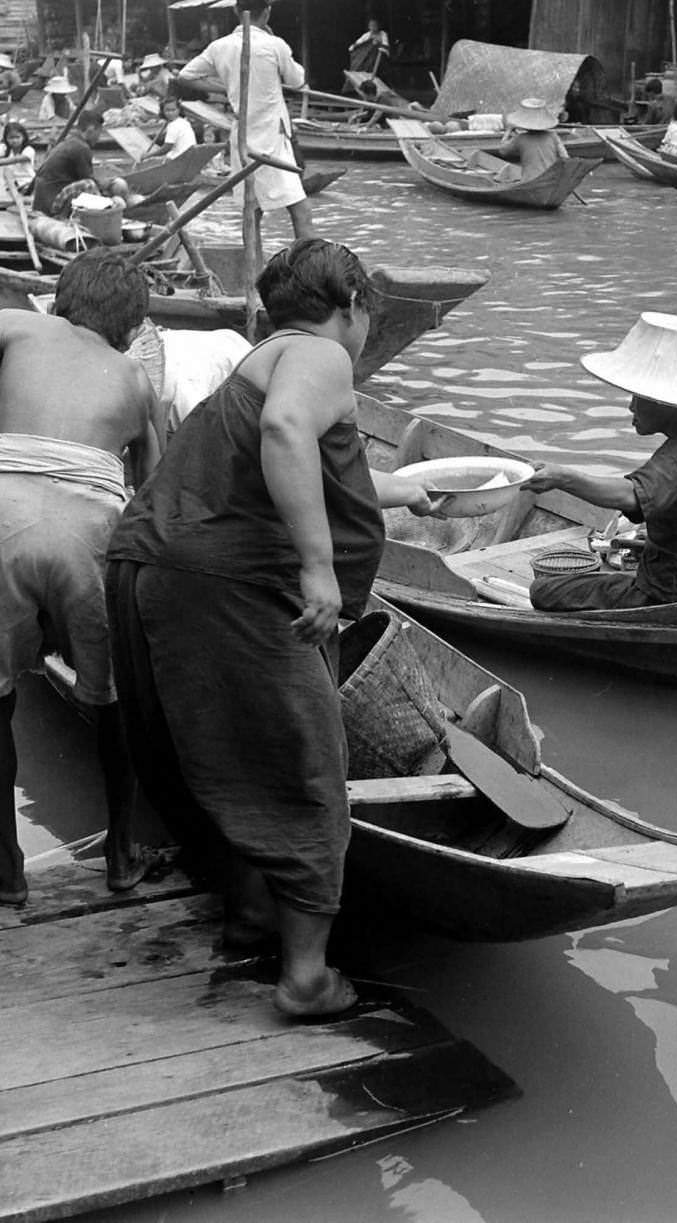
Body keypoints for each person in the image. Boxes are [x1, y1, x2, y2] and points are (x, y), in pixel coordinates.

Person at [105, 238, 445, 1018]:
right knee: (305, 760)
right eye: (367, 313)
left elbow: (313, 466)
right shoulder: (320, 356)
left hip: (168, 566)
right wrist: (322, 569)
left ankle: (253, 914)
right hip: (230, 582)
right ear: (354, 305)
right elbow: (289, 432)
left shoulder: (270, 356)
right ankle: (306, 975)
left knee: (232, 747)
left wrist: (408, 495)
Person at [0, 249, 162, 906]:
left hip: (0, 502)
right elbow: (157, 493)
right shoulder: (138, 379)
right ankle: (122, 854)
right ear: (130, 330)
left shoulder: (18, 326)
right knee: (113, 699)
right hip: (90, 519)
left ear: (57, 302)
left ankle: (6, 869)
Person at [527, 312, 677, 611]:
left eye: (638, 396)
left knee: (543, 591)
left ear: (662, 401)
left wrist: (561, 478)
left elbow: (627, 495)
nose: (631, 405)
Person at [178, 0, 315, 240]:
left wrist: (226, 89)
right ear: (268, 12)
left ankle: (256, 270)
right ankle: (310, 269)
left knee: (252, 211)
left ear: (235, 11)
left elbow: (185, 76)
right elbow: (298, 81)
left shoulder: (219, 47)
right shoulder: (274, 44)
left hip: (243, 138)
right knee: (300, 209)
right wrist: (229, 88)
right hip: (273, 138)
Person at [32, 108, 104, 216]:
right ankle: (102, 215)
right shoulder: (81, 147)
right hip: (50, 203)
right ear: (91, 129)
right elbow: (88, 179)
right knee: (89, 184)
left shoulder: (71, 140)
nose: (99, 138)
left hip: (44, 198)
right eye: (99, 132)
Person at [492, 97, 567, 181]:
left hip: (530, 181)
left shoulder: (521, 138)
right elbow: (565, 158)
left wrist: (508, 130)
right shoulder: (553, 136)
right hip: (551, 179)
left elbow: (502, 151)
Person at [150, 94, 197, 160]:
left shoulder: (174, 126)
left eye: (173, 110)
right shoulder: (183, 121)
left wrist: (149, 155)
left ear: (179, 110)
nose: (170, 113)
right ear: (163, 111)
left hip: (180, 158)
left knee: (154, 159)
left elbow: (167, 148)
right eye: (167, 110)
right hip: (188, 155)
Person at [1, 121, 36, 189]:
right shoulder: (5, 149)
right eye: (11, 138)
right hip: (11, 184)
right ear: (6, 139)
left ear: (24, 137)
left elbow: (15, 159)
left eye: (17, 137)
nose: (14, 140)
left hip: (28, 182)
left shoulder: (29, 150)